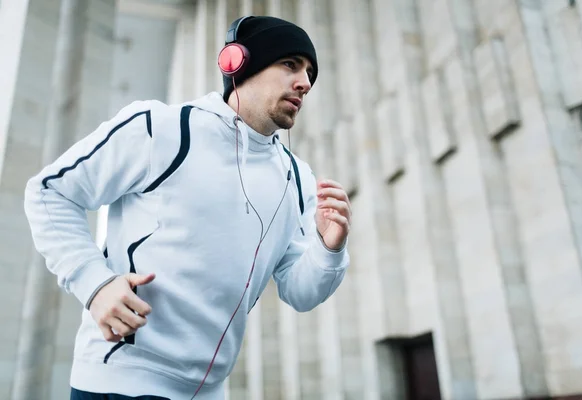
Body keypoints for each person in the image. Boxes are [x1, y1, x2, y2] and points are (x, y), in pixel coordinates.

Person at [24, 15, 351, 400]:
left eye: (310, 72)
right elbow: (49, 191)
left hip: (210, 391)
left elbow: (299, 290)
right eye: (290, 65)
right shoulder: (161, 128)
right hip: (123, 381)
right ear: (238, 63)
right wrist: (94, 284)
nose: (305, 83)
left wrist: (329, 249)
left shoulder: (298, 178)